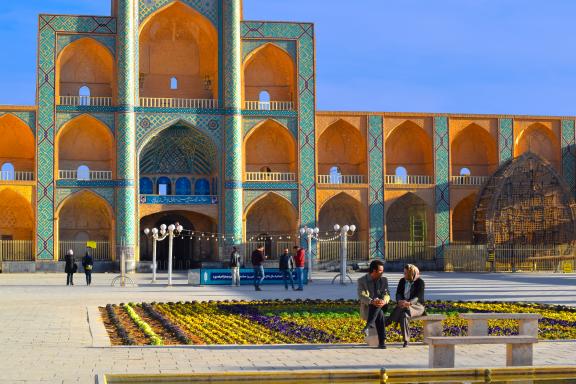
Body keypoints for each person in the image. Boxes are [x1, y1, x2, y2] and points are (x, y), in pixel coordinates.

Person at [386, 264, 426, 347]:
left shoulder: (420, 282)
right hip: (404, 305)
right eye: (404, 273)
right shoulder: (402, 281)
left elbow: (418, 297)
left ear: (412, 273)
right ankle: (406, 341)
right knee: (404, 315)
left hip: (417, 306)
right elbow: (398, 293)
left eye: (406, 273)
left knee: (404, 308)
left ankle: (390, 320)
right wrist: (399, 300)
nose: (404, 275)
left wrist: (410, 303)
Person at [357, 259, 390, 349]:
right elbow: (361, 296)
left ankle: (369, 324)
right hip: (369, 308)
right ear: (374, 271)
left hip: (382, 306)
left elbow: (387, 294)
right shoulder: (362, 281)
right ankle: (382, 342)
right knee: (380, 313)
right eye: (380, 271)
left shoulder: (384, 280)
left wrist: (384, 301)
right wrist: (372, 301)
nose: (382, 273)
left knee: (379, 309)